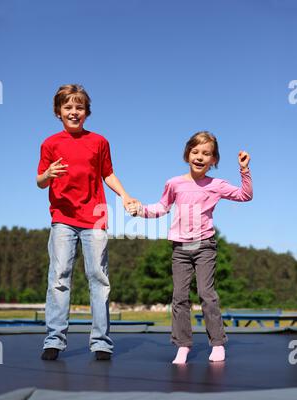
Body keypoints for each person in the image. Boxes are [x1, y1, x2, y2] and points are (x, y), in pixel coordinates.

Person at [128, 131, 252, 364]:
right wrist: (140, 210)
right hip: (180, 248)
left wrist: (244, 170)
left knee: (206, 294)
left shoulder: (217, 185)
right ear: (187, 155)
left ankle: (217, 343)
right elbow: (162, 207)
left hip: (205, 246)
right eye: (195, 152)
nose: (199, 156)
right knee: (180, 297)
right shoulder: (174, 183)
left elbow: (245, 195)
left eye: (206, 153)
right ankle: (183, 346)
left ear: (213, 160)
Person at [37, 84, 136, 361]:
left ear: (86, 112)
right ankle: (54, 339)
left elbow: (109, 174)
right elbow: (39, 182)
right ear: (59, 112)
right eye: (68, 107)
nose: (74, 111)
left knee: (99, 278)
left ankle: (101, 342)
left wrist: (125, 196)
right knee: (59, 278)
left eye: (79, 107)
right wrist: (48, 173)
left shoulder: (99, 142)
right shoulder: (50, 143)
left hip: (94, 218)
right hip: (63, 219)